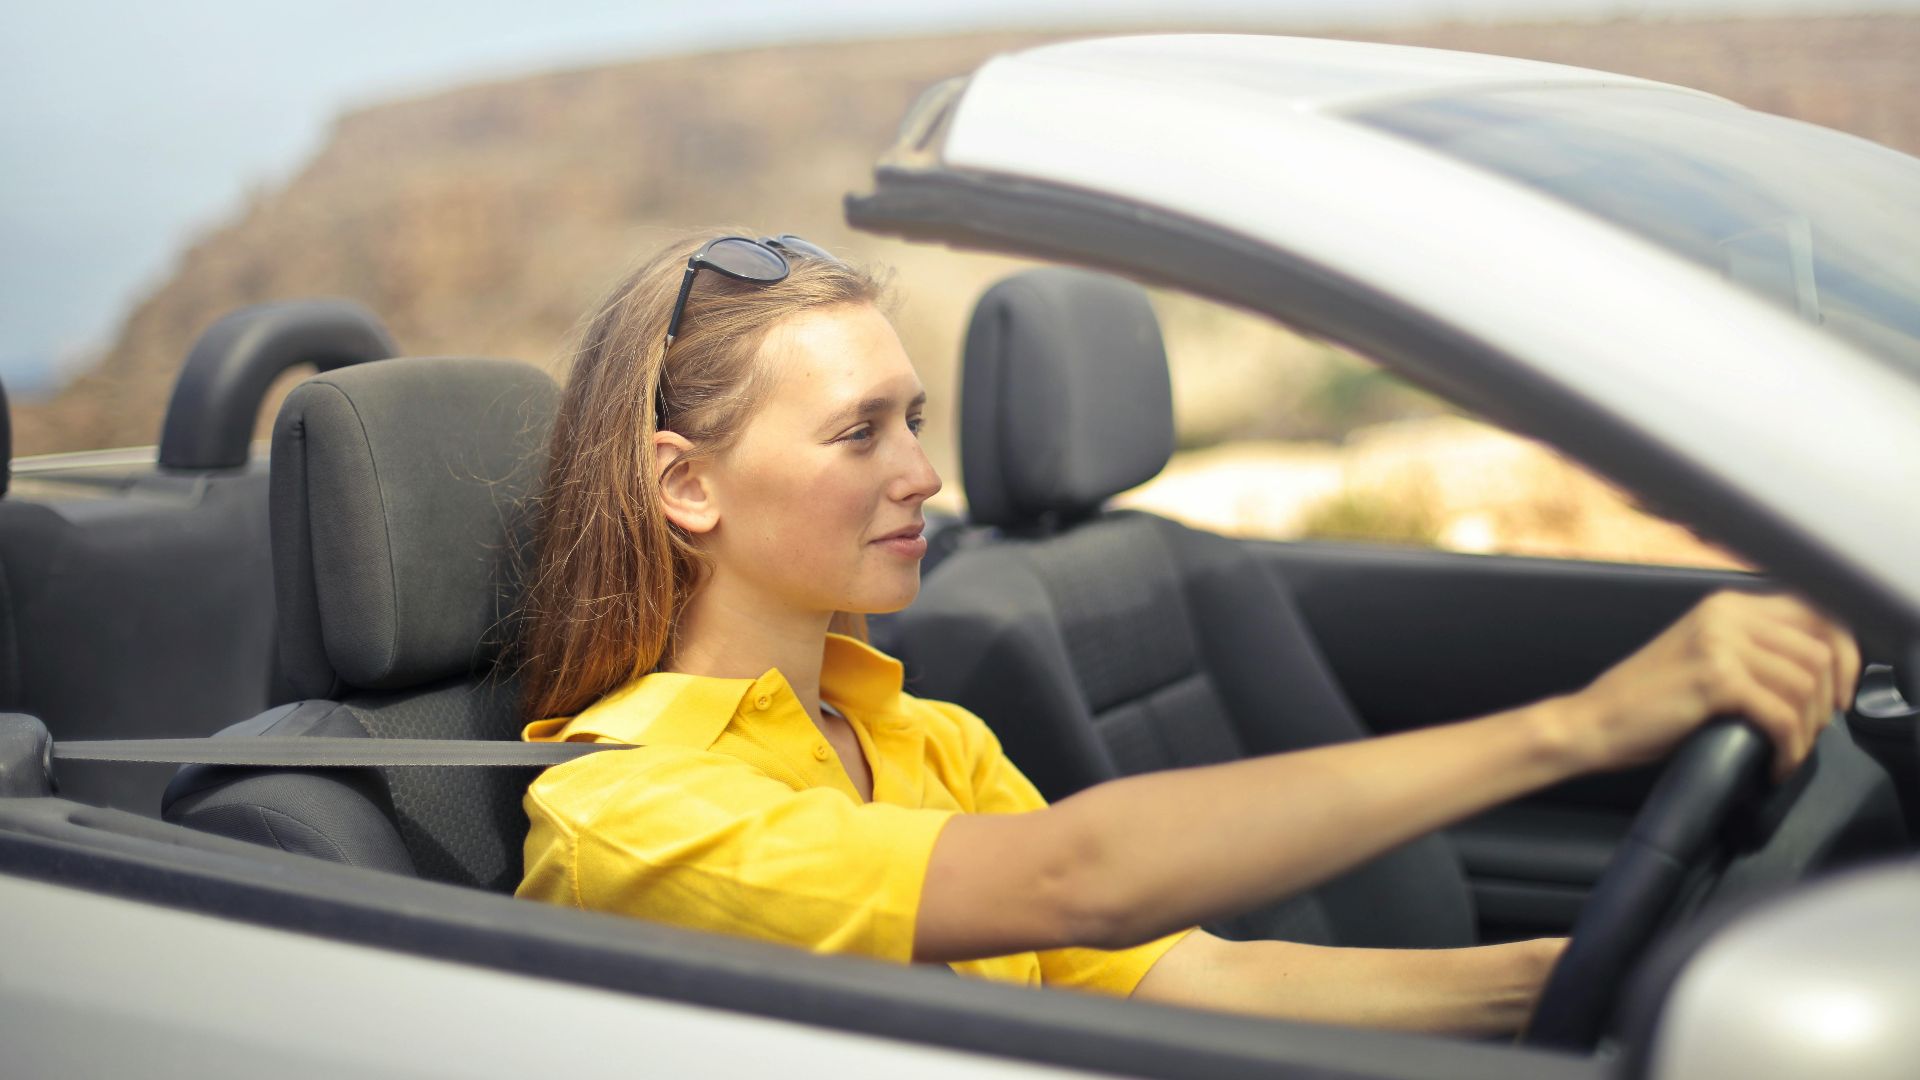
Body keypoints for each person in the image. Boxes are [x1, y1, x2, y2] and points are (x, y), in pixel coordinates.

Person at [513, 232, 1860, 1036]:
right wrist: (1577, 728)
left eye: (914, 419)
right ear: (686, 483)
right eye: (860, 432)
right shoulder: (633, 812)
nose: (922, 473)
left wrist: (1594, 978)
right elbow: (1074, 880)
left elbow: (1188, 978)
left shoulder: (919, 737)